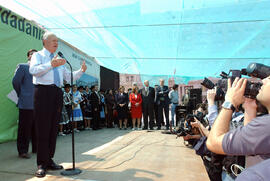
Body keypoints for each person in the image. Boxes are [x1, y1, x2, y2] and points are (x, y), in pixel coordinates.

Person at [29, 31, 87, 177]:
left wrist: (81, 71)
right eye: (53, 40)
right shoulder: (38, 56)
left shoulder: (60, 59)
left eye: (57, 41)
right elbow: (33, 70)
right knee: (43, 128)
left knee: (53, 128)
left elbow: (68, 77)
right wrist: (50, 64)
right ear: (45, 42)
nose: (56, 43)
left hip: (57, 93)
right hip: (42, 92)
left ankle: (49, 160)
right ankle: (41, 164)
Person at [206, 77, 270, 168]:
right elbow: (249, 144)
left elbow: (213, 143)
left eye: (269, 79)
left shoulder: (266, 126)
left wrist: (229, 102)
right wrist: (249, 106)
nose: (263, 81)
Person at [12, 49, 37, 159]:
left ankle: (36, 148)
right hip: (26, 103)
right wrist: (21, 94)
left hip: (39, 104)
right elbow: (15, 82)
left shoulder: (41, 69)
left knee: (37, 128)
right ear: (28, 57)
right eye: (31, 54)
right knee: (24, 129)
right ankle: (23, 151)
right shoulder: (22, 67)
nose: (34, 55)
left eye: (36, 54)